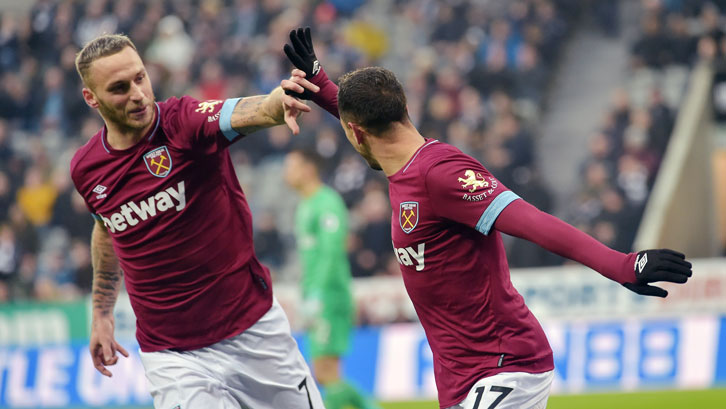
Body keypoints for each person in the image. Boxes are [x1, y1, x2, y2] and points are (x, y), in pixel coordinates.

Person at [282, 28, 693, 409]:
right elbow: (361, 114)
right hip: (463, 378)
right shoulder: (402, 158)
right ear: (403, 106)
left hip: (506, 365)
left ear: (354, 133)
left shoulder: (439, 174)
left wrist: (622, 264)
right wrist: (320, 82)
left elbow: (531, 220)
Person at [70, 33, 324, 409]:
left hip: (251, 332)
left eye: (140, 78)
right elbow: (107, 228)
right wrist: (102, 314)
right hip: (172, 358)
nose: (138, 94)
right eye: (120, 88)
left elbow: (244, 111)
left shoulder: (182, 123)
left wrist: (278, 101)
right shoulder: (87, 169)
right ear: (91, 98)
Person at [283, 148, 381, 409]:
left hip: (330, 295)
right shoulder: (305, 206)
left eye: (291, 166)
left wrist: (319, 294)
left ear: (308, 169)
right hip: (317, 295)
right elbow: (310, 258)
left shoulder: (327, 203)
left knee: (328, 373)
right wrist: (305, 292)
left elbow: (332, 251)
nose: (286, 173)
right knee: (324, 374)